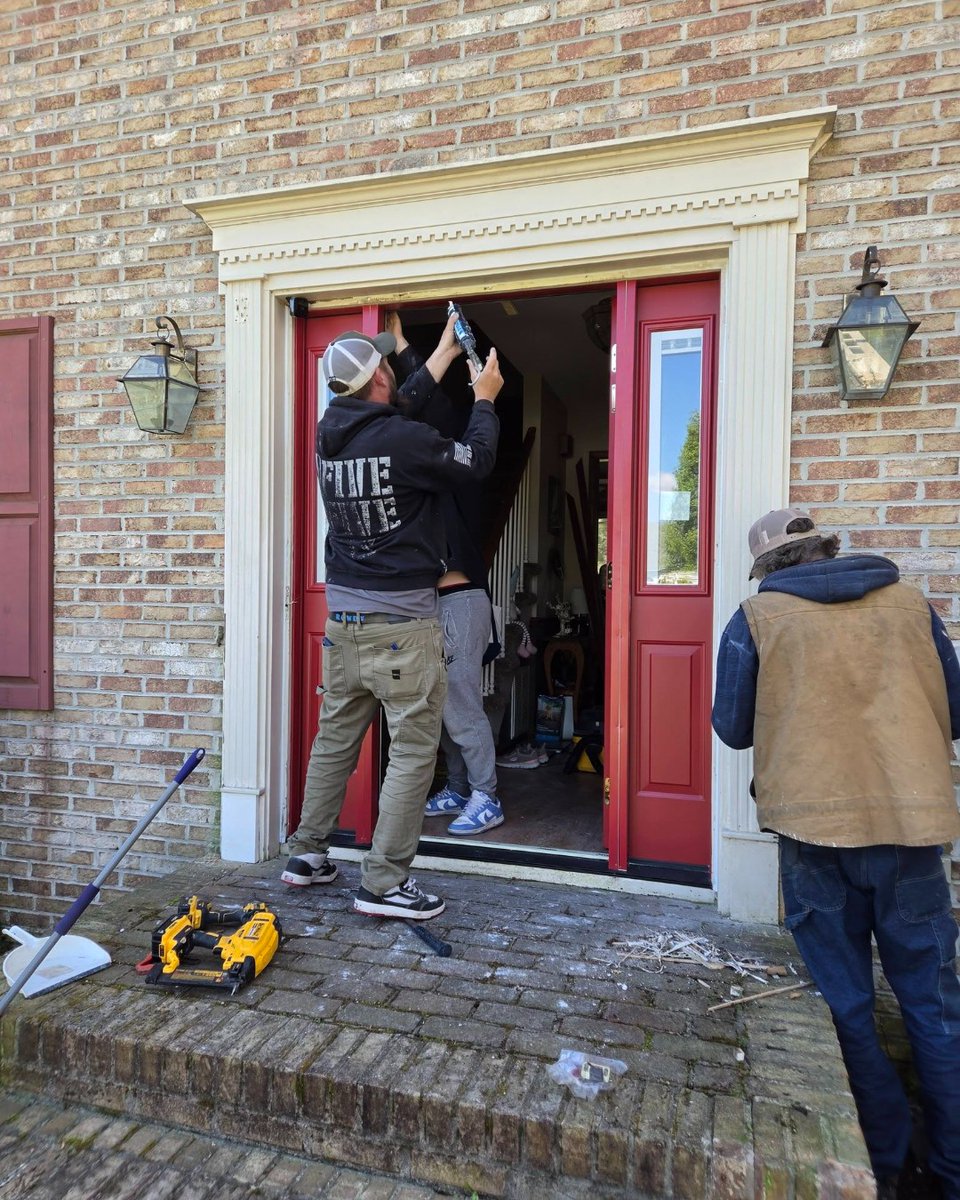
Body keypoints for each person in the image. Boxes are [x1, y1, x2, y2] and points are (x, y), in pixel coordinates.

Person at [712, 507, 960, 1199]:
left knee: (850, 1006)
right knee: (935, 1008)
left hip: (813, 834)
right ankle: (949, 1173)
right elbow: (958, 708)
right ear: (826, 549)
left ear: (768, 569)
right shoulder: (911, 605)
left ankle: (882, 1162)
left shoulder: (757, 619)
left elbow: (731, 729)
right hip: (911, 831)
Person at [281, 316, 503, 920]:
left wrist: (441, 353)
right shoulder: (404, 441)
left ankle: (307, 853)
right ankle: (382, 884)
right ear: (379, 374)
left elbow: (398, 407)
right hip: (403, 626)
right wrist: (483, 400)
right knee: (411, 752)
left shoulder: (334, 433)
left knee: (335, 741)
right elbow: (475, 461)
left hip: (344, 625)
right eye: (384, 365)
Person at [384, 310, 504, 837]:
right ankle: (457, 786)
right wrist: (409, 347)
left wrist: (485, 396)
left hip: (460, 601)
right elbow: (417, 409)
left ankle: (487, 795)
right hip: (429, 605)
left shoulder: (458, 468)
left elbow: (437, 416)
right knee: (439, 704)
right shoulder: (419, 466)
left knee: (460, 703)